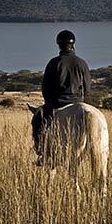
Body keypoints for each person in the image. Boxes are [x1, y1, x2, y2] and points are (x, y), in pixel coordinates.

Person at [31, 30, 92, 160]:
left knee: (37, 120)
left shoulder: (54, 62)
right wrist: (82, 100)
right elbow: (87, 87)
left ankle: (42, 153)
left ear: (59, 45)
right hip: (78, 102)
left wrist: (48, 102)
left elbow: (45, 88)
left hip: (57, 103)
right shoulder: (82, 63)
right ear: (73, 44)